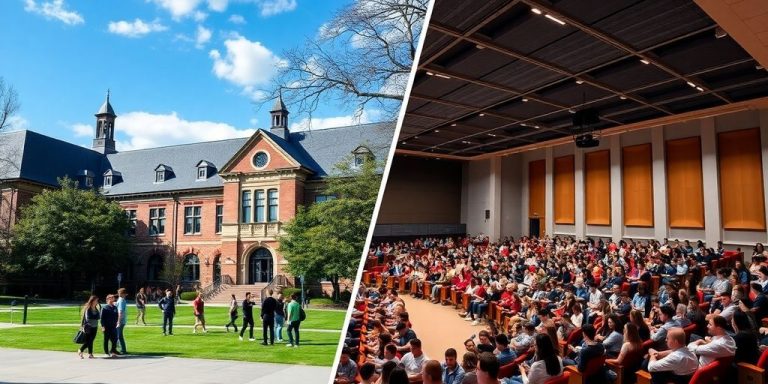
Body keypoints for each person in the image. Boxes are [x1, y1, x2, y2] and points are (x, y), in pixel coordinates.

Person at [78, 295, 100, 359]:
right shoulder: (88, 309)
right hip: (89, 327)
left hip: (95, 326)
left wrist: (95, 317)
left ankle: (88, 353)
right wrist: (95, 317)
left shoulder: (96, 308)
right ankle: (82, 350)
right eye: (96, 300)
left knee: (91, 340)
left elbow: (98, 317)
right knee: (89, 341)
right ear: (92, 301)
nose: (97, 302)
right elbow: (88, 318)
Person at [100, 293, 119, 358]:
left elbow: (116, 316)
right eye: (111, 298)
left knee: (115, 339)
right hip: (107, 327)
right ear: (108, 299)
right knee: (106, 340)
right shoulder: (104, 308)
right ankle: (106, 352)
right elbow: (102, 318)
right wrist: (103, 326)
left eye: (113, 298)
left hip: (113, 326)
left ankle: (113, 351)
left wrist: (117, 322)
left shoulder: (115, 307)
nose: (113, 299)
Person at [115, 288, 128, 355]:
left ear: (123, 294)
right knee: (119, 335)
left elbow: (120, 311)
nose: (119, 293)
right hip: (122, 320)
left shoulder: (121, 300)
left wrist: (118, 321)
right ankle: (121, 349)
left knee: (119, 335)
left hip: (120, 320)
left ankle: (123, 349)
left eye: (120, 292)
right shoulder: (122, 300)